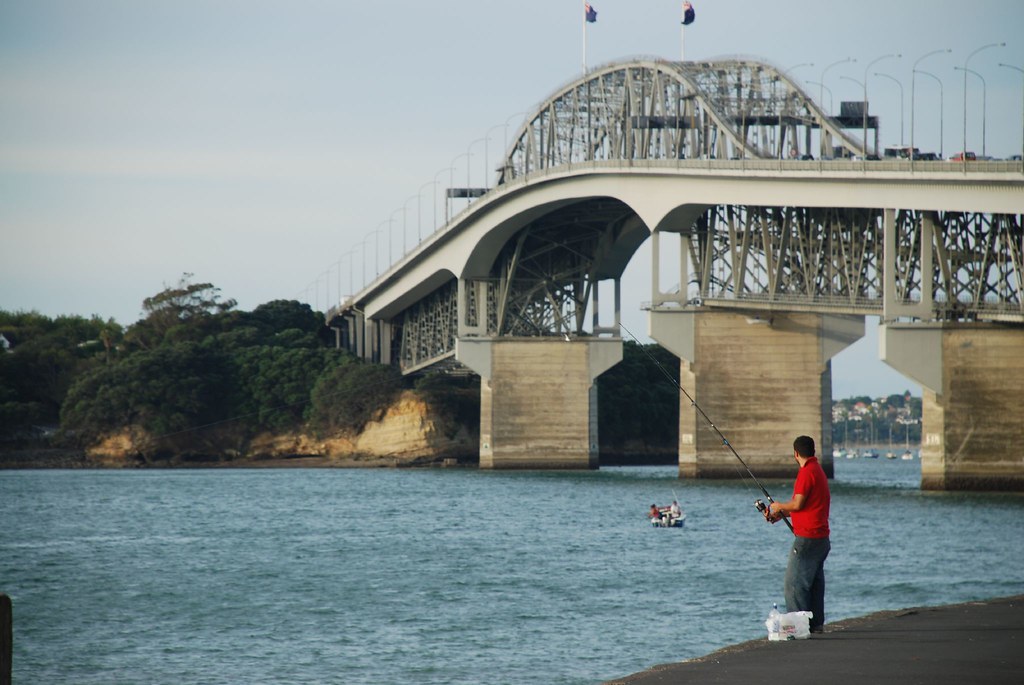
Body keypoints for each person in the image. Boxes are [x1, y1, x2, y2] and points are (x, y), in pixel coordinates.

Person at [766, 435, 831, 633]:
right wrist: (779, 514)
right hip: (821, 539)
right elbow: (803, 506)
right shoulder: (817, 470)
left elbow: (798, 504)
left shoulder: (806, 472)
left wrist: (777, 506)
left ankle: (798, 629)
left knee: (793, 585)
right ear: (813, 451)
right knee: (813, 585)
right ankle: (816, 626)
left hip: (807, 539)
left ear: (795, 453)